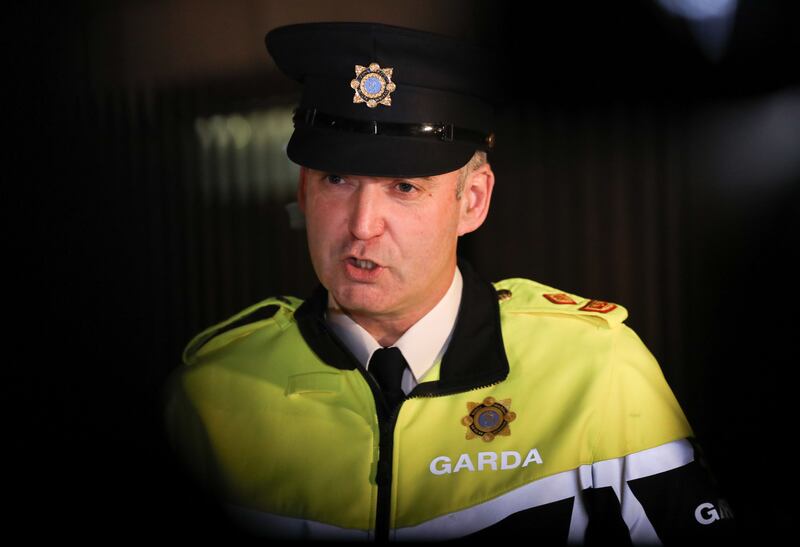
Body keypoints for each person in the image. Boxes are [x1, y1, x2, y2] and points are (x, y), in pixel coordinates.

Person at [162, 22, 735, 544]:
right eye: (337, 179)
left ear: (473, 201)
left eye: (404, 187)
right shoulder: (213, 392)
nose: (361, 225)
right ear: (304, 192)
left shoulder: (593, 368)